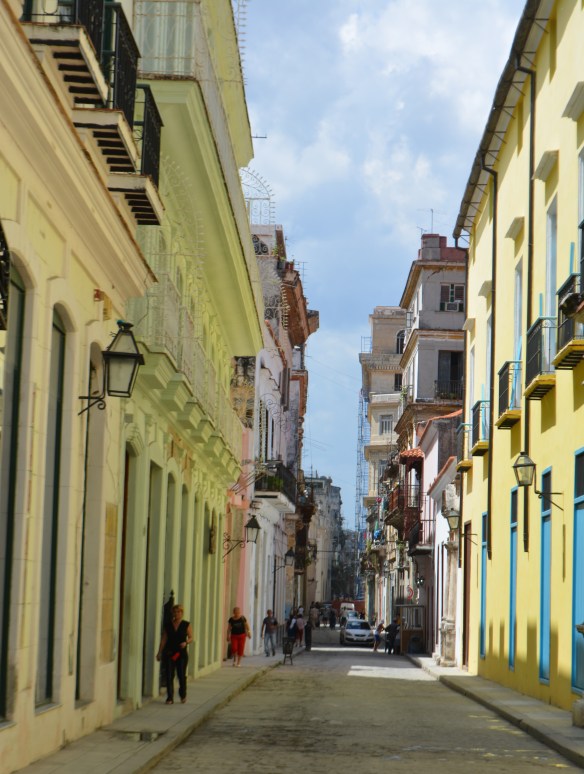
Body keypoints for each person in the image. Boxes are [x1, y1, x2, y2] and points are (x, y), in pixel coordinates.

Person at [156, 604, 193, 704]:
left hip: (181, 654)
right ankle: (170, 697)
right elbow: (164, 639)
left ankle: (183, 694)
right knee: (169, 674)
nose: (177, 614)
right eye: (175, 612)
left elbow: (191, 637)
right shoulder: (168, 625)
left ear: (182, 613)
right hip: (170, 652)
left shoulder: (186, 624)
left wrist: (186, 642)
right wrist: (159, 652)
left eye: (179, 612)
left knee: (181, 675)